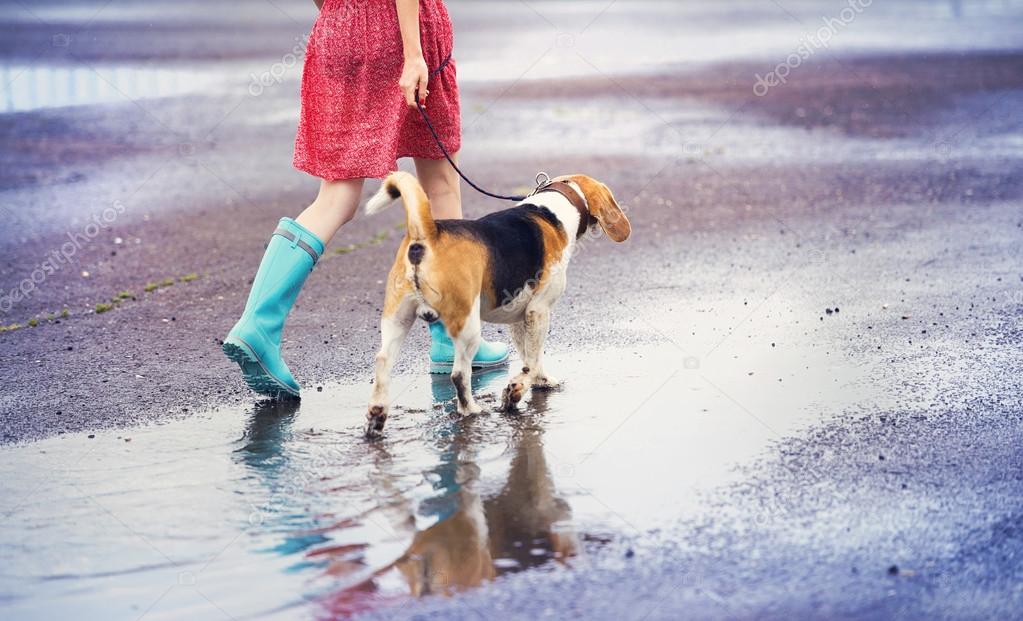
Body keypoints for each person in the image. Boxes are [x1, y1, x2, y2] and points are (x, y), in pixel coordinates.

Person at [223, 0, 509, 399]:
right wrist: (413, 53)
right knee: (441, 183)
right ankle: (455, 339)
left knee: (336, 196)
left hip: (339, 28)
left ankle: (258, 324)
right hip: (404, 34)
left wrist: (347, 16)